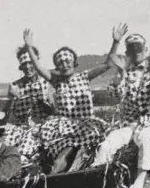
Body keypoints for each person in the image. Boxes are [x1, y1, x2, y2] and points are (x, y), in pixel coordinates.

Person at [22, 23, 128, 173]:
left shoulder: (84, 76)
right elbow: (39, 68)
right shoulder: (56, 80)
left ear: (74, 62)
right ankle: (56, 178)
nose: (64, 65)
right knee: (66, 151)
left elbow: (107, 64)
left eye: (67, 61)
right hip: (65, 128)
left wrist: (116, 42)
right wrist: (29, 48)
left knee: (82, 150)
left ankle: (78, 173)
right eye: (60, 63)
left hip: (85, 125)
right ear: (57, 66)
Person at [92, 33, 150, 188]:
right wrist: (121, 72)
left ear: (145, 50)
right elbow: (115, 94)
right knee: (108, 144)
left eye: (139, 47)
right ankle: (99, 182)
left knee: (144, 137)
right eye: (131, 48)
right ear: (127, 52)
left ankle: (139, 182)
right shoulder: (124, 72)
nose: (136, 51)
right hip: (129, 125)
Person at [2, 45, 55, 164]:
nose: (27, 67)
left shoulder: (46, 83)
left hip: (41, 127)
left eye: (30, 63)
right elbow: (6, 116)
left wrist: (41, 102)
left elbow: (54, 111)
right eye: (24, 64)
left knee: (25, 149)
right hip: (20, 128)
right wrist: (11, 99)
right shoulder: (15, 85)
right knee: (3, 145)